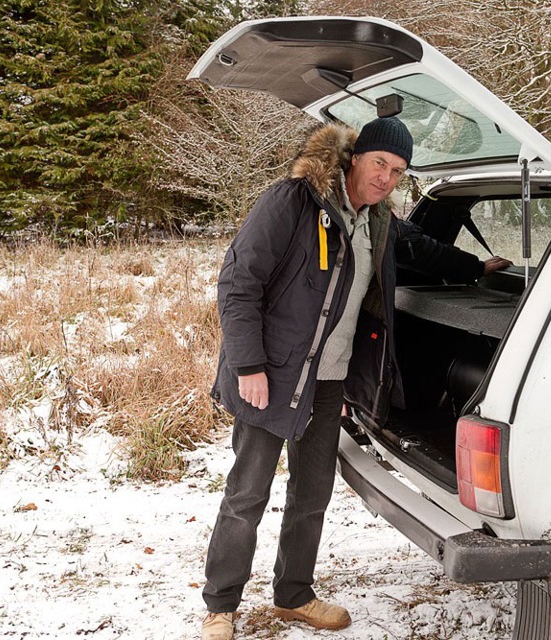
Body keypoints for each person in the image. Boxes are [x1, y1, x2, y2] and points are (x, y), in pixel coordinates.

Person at [201, 117, 508, 640]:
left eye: (399, 171)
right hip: (272, 375)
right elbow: (238, 282)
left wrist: (476, 268)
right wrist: (248, 365)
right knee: (247, 493)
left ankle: (294, 595)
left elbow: (422, 252)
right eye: (380, 164)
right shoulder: (294, 201)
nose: (387, 177)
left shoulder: (379, 221)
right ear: (354, 159)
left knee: (313, 489)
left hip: (329, 380)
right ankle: (221, 606)